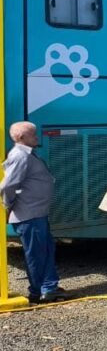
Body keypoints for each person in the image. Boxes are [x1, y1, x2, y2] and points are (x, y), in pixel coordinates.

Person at [1, 121, 66, 304]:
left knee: (45, 250)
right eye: (33, 134)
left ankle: (49, 287)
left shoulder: (26, 154)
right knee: (37, 253)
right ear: (21, 137)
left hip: (36, 213)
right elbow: (8, 185)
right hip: (29, 215)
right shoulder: (20, 156)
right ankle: (38, 291)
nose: (37, 137)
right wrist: (8, 204)